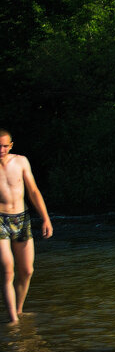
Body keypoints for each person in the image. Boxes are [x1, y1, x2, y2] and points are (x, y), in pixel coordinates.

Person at [1, 129, 53, 325]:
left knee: (27, 270)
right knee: (7, 269)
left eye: (5, 145)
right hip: (0, 220)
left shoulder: (21, 161)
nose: (2, 149)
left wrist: (46, 218)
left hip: (22, 219)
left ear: (11, 145)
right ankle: (13, 320)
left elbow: (33, 190)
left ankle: (19, 310)